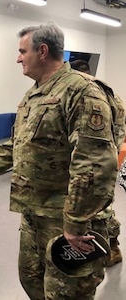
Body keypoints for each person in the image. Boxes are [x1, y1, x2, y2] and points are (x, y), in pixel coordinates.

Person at [0, 23, 124, 299]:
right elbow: (18, 145)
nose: (18, 58)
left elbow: (95, 166)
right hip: (35, 215)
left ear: (43, 51)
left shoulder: (83, 92)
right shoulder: (34, 94)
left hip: (67, 224)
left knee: (66, 293)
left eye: (23, 51)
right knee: (32, 280)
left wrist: (76, 223)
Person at [70, 59, 123, 267]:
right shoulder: (78, 97)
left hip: (100, 164)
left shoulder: (105, 98)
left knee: (102, 211)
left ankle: (113, 246)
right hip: (84, 164)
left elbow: (115, 138)